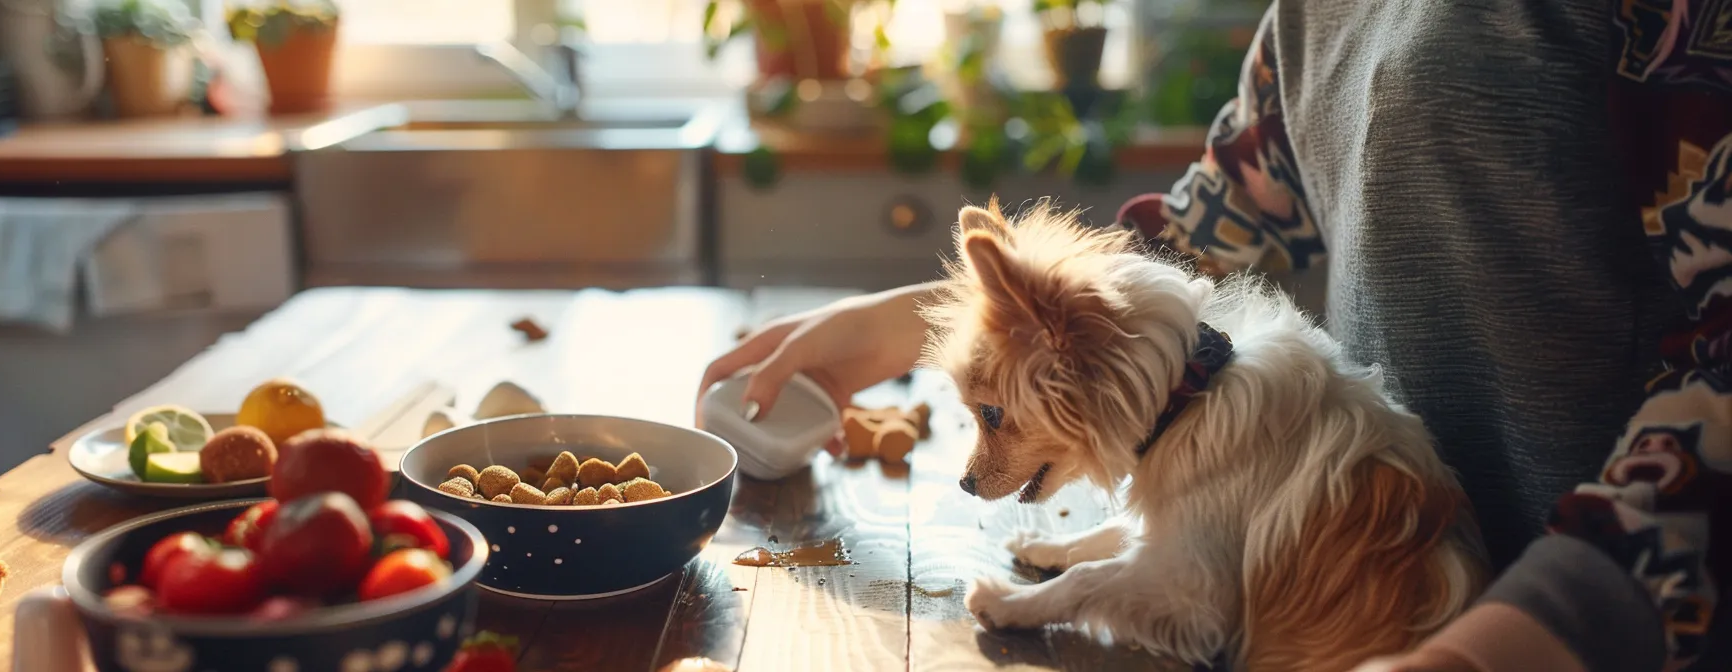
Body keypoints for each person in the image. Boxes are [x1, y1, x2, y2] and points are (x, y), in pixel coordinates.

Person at [700, 2, 1729, 671]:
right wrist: (917, 323)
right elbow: (1194, 237)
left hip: (1583, 630)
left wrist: (1541, 627)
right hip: (1319, 590)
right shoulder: (1311, 15)